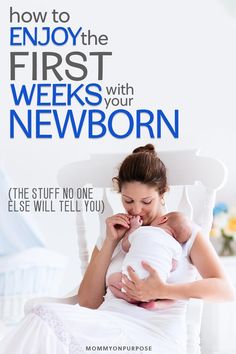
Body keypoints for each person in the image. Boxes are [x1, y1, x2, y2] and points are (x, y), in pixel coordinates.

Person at [0, 144, 235, 354]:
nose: (136, 210)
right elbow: (88, 302)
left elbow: (225, 290)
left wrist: (161, 289)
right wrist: (110, 242)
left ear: (163, 193)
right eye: (128, 201)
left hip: (154, 335)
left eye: (146, 202)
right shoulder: (114, 233)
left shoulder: (180, 230)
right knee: (41, 317)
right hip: (107, 326)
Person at [107, 212, 192, 309]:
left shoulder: (142, 231)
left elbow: (125, 246)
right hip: (156, 287)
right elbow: (173, 266)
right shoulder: (177, 247)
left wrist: (133, 228)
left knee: (111, 280)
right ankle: (156, 304)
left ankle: (128, 298)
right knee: (174, 298)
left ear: (163, 219)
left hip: (130, 282)